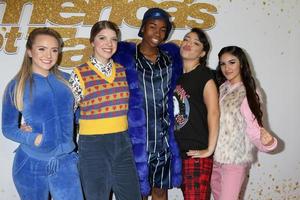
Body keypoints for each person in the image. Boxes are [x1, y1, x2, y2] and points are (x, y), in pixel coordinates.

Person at [1, 28, 83, 200]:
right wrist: (33, 138)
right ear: (30, 51)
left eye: (54, 50)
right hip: (31, 164)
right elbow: (8, 128)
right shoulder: (17, 85)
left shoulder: (68, 80)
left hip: (65, 162)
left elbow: (77, 117)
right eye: (41, 49)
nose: (49, 55)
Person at [113, 7, 182, 200]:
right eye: (153, 27)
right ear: (143, 28)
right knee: (138, 194)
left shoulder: (171, 60)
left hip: (163, 140)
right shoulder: (124, 59)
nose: (157, 33)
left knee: (160, 192)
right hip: (135, 142)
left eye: (162, 29)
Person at [69, 20, 141, 200]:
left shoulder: (123, 70)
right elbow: (65, 112)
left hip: (122, 142)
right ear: (92, 41)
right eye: (102, 38)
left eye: (113, 39)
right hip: (93, 145)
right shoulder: (79, 73)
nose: (109, 44)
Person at [211, 46, 278, 200]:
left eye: (232, 62)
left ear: (241, 63)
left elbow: (254, 129)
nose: (227, 68)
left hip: (234, 161)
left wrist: (268, 143)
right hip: (215, 159)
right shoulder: (222, 88)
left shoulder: (248, 93)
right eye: (223, 64)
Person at [173, 28, 219, 200]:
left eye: (196, 43)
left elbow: (214, 112)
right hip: (180, 153)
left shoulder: (204, 75)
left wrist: (209, 149)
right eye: (186, 39)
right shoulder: (177, 77)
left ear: (203, 52)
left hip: (197, 154)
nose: (189, 44)